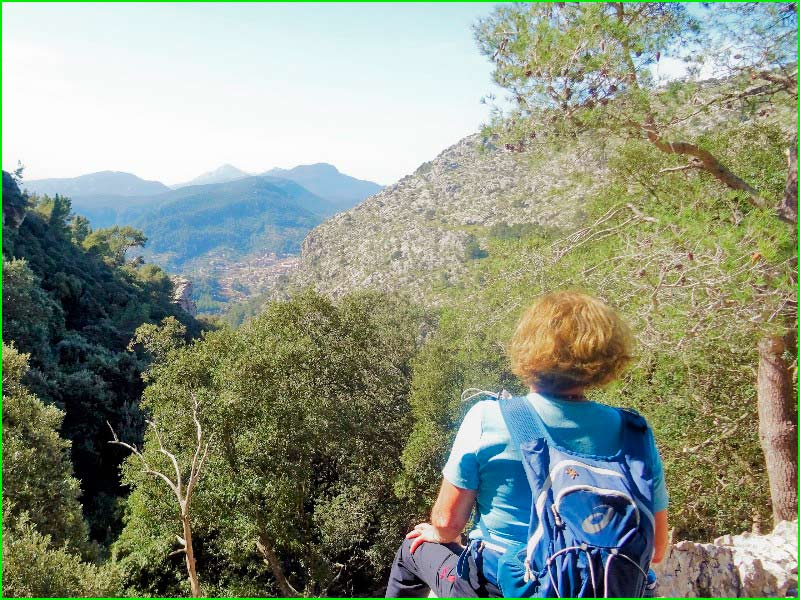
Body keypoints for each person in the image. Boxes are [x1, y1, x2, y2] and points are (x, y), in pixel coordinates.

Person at [386, 291, 669, 598]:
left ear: (529, 351)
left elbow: (447, 523)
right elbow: (655, 548)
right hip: (603, 584)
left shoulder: (489, 418)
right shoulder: (634, 431)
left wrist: (436, 533)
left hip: (501, 586)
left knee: (412, 549)